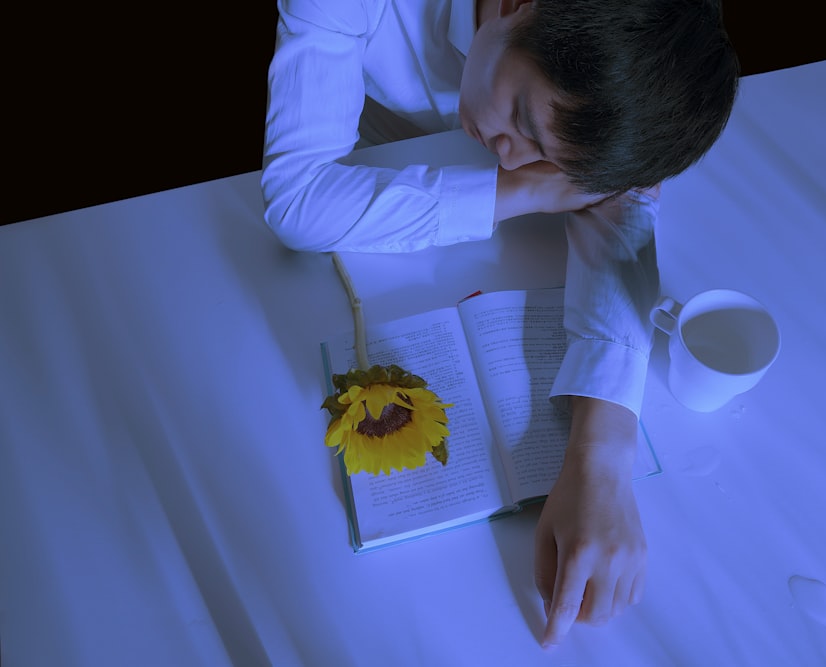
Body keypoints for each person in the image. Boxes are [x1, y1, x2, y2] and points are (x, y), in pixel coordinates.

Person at [261, 0, 738, 647]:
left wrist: (602, 454)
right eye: (520, 117)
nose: (512, 157)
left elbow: (621, 207)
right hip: (362, 134)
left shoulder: (622, 46)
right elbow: (296, 201)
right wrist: (529, 192)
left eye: (543, 155)